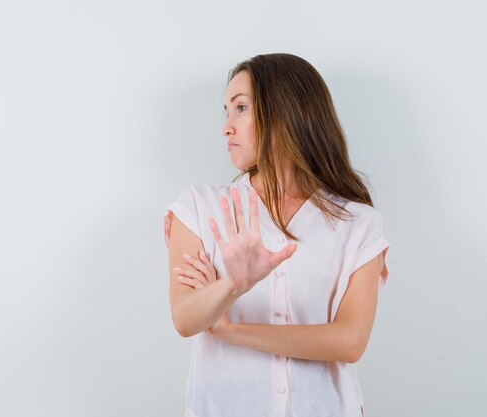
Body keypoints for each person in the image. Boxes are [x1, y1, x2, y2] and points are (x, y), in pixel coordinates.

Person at [163, 53, 390, 417]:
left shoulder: (357, 222)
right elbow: (186, 319)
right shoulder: (198, 208)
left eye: (240, 108)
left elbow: (349, 342)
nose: (226, 126)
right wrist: (233, 285)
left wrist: (228, 330)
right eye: (226, 110)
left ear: (285, 114)